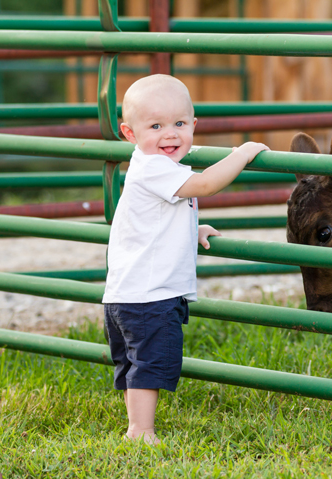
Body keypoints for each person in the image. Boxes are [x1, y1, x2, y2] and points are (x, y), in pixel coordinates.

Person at [102, 74, 269, 444]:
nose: (170, 135)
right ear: (130, 133)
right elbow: (206, 185)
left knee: (133, 364)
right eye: (156, 126)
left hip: (124, 296)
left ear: (193, 125)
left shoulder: (146, 167)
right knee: (150, 365)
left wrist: (191, 229)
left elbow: (154, 221)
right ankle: (141, 431)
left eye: (179, 124)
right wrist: (240, 153)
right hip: (150, 296)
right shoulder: (156, 168)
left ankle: (136, 426)